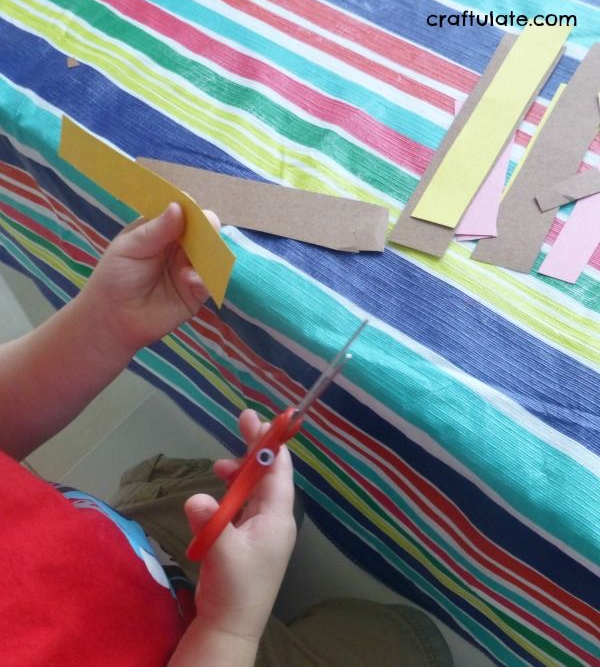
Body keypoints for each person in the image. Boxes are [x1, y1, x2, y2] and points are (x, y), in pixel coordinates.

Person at [0, 203, 452, 667]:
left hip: (130, 550)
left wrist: (103, 325)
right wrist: (231, 625)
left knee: (248, 498)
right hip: (207, 647)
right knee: (406, 643)